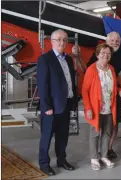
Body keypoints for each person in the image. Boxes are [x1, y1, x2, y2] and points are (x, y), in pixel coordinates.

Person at [37, 29, 77, 176]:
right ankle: (44, 164)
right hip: (51, 107)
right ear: (52, 41)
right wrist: (46, 106)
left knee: (63, 136)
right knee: (46, 137)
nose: (62, 42)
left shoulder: (68, 59)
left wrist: (73, 102)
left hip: (65, 105)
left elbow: (70, 81)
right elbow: (42, 85)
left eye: (65, 40)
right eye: (59, 39)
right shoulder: (45, 59)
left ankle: (61, 160)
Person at [82, 43, 121, 170]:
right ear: (97, 55)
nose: (105, 55)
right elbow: (85, 90)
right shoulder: (91, 69)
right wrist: (88, 108)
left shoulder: (111, 69)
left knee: (107, 133)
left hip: (109, 107)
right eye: (103, 53)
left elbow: (112, 87)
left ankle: (104, 156)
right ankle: (94, 158)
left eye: (108, 53)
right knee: (95, 133)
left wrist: (119, 90)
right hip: (95, 108)